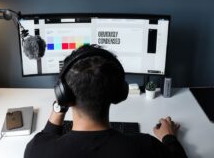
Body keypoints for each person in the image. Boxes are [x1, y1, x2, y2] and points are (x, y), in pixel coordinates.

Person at [24, 45, 187, 158]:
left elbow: (45, 137)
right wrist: (169, 137)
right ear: (119, 93)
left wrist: (59, 106)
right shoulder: (146, 148)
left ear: (63, 95)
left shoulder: (37, 151)